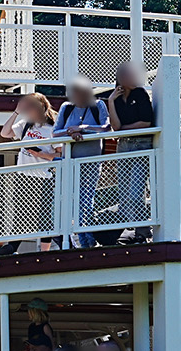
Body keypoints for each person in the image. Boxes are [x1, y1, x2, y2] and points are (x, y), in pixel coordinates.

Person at [0, 93, 60, 252]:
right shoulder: (26, 124)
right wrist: (16, 112)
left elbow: (61, 154)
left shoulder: (52, 129)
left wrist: (40, 155)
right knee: (21, 213)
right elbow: (5, 133)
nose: (28, 111)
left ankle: (44, 252)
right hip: (23, 176)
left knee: (43, 216)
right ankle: (12, 247)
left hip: (42, 177)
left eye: (30, 107)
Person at [54, 80, 110, 247]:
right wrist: (71, 132)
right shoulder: (66, 107)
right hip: (69, 162)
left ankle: (89, 240)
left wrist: (83, 129)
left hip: (91, 161)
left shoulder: (98, 105)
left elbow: (106, 128)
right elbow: (56, 133)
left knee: (86, 200)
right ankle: (79, 240)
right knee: (72, 201)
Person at [105, 65, 156, 241]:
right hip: (123, 146)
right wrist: (111, 101)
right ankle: (135, 230)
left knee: (135, 192)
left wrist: (123, 130)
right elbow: (115, 126)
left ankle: (144, 231)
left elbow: (146, 122)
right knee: (124, 193)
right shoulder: (117, 98)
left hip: (141, 145)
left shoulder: (140, 93)